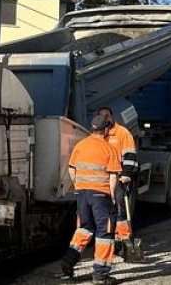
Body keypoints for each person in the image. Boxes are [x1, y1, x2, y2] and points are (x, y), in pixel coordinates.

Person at [60, 114, 121, 284]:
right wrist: (113, 198)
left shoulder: (81, 145)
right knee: (105, 233)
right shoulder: (110, 149)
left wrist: (79, 185)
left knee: (84, 228)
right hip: (101, 196)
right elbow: (113, 178)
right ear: (107, 129)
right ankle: (100, 275)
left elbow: (72, 169)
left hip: (82, 194)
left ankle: (68, 260)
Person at [96, 106, 138, 244]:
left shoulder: (122, 133)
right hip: (105, 178)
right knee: (108, 210)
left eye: (107, 116)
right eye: (102, 116)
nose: (105, 119)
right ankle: (112, 238)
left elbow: (130, 154)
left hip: (120, 177)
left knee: (120, 209)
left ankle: (124, 240)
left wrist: (126, 174)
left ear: (112, 117)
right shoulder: (101, 134)